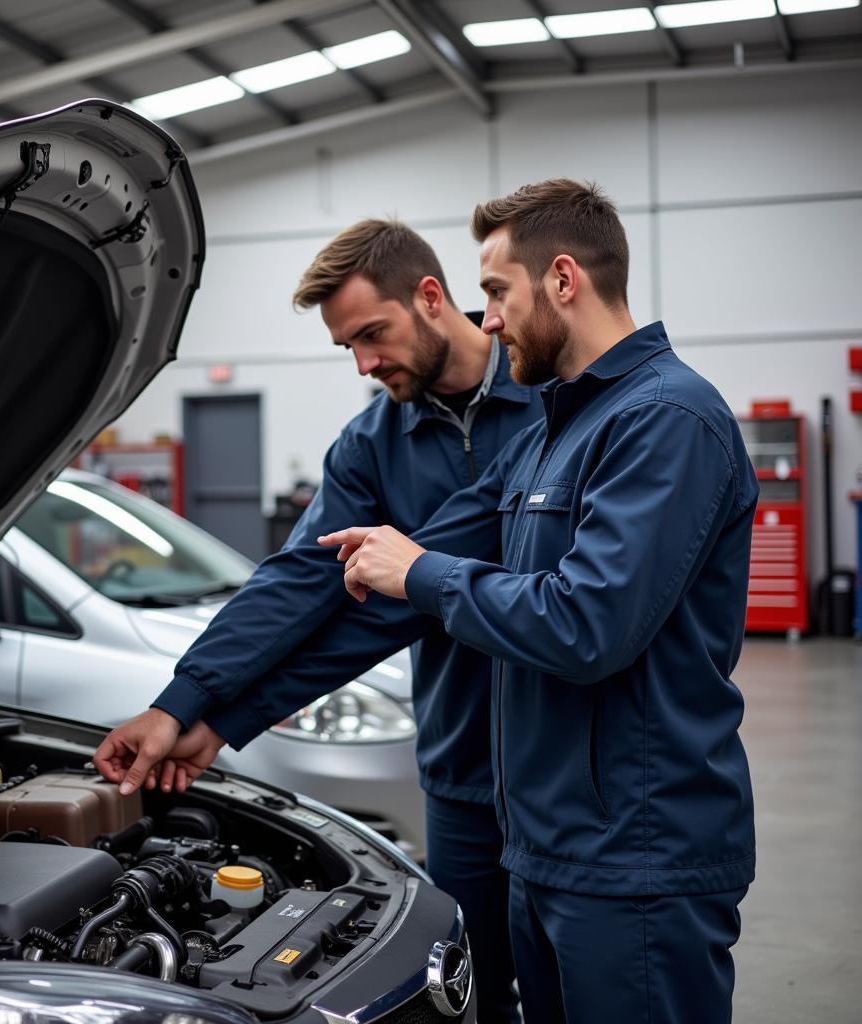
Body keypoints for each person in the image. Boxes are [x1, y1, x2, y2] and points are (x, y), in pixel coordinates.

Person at [130, 179, 758, 1024]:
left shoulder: (642, 417)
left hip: (624, 831)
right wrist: (204, 708)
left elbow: (578, 620)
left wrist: (418, 569)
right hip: (519, 807)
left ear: (560, 280)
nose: (488, 314)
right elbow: (360, 592)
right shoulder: (532, 434)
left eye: (495, 291)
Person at [94, 218, 544, 1023]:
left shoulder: (551, 396)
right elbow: (302, 582)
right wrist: (185, 707)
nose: (368, 365)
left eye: (374, 334)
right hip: (461, 770)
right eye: (350, 349)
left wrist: (223, 714)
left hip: (565, 764)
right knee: (473, 996)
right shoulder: (371, 446)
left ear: (432, 298)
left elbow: (391, 609)